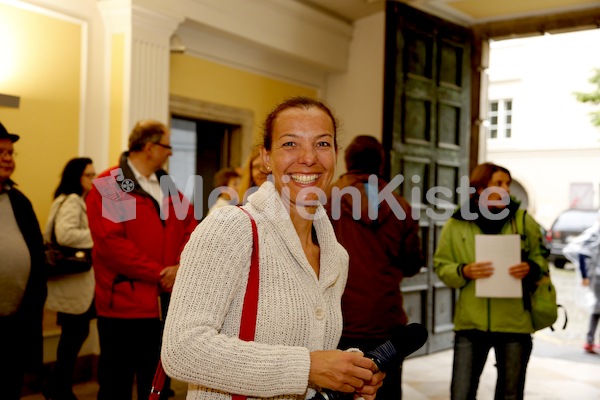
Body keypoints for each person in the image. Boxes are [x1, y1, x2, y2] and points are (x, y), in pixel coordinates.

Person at [161, 96, 384, 399]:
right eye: (290, 144)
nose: (308, 158)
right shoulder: (230, 228)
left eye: (322, 144)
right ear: (266, 158)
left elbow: (313, 352)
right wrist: (307, 367)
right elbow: (182, 349)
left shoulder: (335, 256)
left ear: (335, 155)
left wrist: (348, 374)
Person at [86, 119, 197, 400]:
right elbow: (113, 244)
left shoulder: (167, 184)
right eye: (167, 146)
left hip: (163, 306)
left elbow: (191, 229)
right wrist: (161, 273)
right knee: (116, 386)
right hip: (124, 306)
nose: (170, 153)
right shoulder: (111, 184)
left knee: (157, 386)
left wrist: (180, 267)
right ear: (149, 147)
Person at [433, 162, 548, 400]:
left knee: (510, 395)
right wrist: (464, 271)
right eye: (498, 183)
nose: (505, 189)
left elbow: (542, 261)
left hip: (515, 324)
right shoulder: (457, 223)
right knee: (461, 394)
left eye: (507, 183)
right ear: (481, 187)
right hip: (470, 324)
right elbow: (441, 266)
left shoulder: (524, 220)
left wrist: (531, 267)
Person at [325, 135, 423, 399]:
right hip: (385, 319)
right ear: (381, 163)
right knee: (385, 392)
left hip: (338, 318)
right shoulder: (401, 206)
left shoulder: (324, 202)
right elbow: (413, 264)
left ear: (346, 161)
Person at [0, 121, 47, 400]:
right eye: (2, 152)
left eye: (11, 153)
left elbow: (36, 257)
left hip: (13, 324)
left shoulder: (19, 200)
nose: (8, 158)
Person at [43, 157, 96, 400]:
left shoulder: (64, 198)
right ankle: (59, 387)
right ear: (76, 176)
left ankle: (58, 385)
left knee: (73, 336)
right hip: (75, 282)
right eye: (88, 175)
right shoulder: (73, 201)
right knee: (74, 336)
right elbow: (65, 234)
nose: (93, 180)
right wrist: (98, 233)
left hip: (70, 282)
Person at [562, 218, 600, 353]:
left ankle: (590, 340)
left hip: (595, 276)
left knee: (597, 309)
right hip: (597, 277)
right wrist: (585, 275)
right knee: (597, 308)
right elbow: (582, 252)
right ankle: (589, 340)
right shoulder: (595, 233)